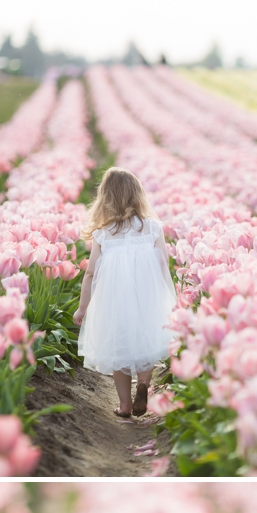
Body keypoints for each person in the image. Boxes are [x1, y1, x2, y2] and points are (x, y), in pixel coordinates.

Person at [72, 167, 177, 419]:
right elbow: (163, 262)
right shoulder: (153, 228)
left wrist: (82, 307)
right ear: (137, 195)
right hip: (148, 295)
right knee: (147, 339)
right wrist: (167, 297)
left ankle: (125, 405)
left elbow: (90, 273)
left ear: (104, 198)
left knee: (118, 345)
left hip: (114, 299)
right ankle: (143, 384)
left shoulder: (103, 233)